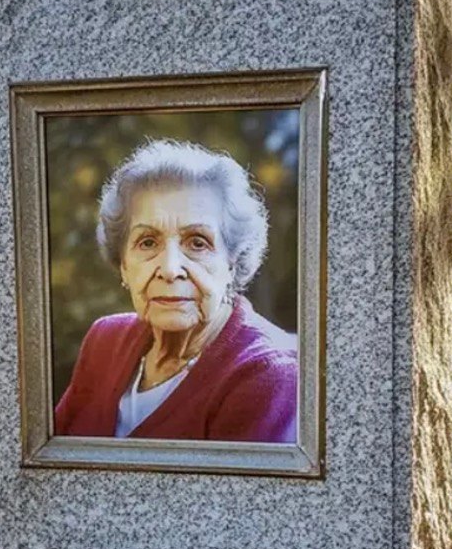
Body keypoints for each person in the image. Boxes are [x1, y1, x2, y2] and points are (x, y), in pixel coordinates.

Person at [54, 139, 297, 443]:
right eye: (147, 242)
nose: (170, 268)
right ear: (123, 265)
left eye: (197, 242)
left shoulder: (267, 375)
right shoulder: (104, 341)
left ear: (231, 263)